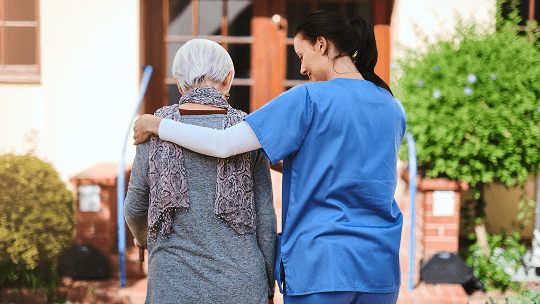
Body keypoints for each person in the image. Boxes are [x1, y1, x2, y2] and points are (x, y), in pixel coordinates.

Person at [133, 11, 406, 304]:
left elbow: (224, 143)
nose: (301, 68)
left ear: (322, 46)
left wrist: (158, 125)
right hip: (380, 269)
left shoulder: (308, 98)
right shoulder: (392, 106)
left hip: (322, 268)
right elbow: (339, 167)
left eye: (301, 55)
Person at [124, 39, 277, 304]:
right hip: (240, 288)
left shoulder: (152, 131)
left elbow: (135, 208)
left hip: (172, 288)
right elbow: (265, 220)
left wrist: (142, 238)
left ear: (179, 83)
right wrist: (268, 282)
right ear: (228, 80)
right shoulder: (247, 132)